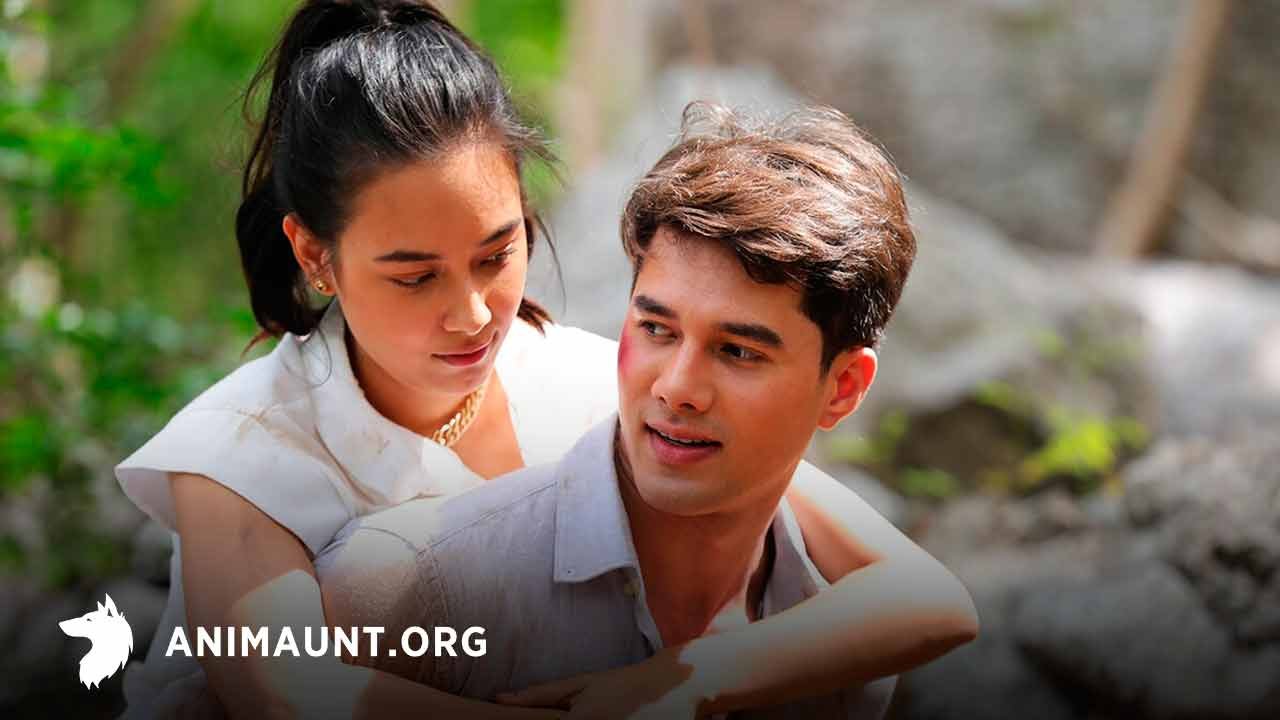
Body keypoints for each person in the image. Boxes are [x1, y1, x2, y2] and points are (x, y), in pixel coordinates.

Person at [114, 2, 977, 718]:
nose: (472, 313)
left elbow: (921, 595)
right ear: (315, 255)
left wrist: (692, 678)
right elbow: (289, 694)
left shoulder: (599, 378)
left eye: (497, 253)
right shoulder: (242, 450)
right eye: (415, 276)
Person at [316, 103, 971, 718]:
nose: (677, 388)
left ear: (844, 388)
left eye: (738, 352)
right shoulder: (414, 584)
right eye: (657, 329)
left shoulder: (843, 648)